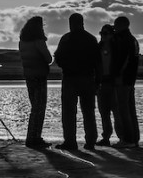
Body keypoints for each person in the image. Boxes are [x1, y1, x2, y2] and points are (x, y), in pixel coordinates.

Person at [54, 13, 101, 150]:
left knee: (69, 112)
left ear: (70, 23)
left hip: (70, 78)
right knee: (88, 112)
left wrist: (66, 66)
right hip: (87, 78)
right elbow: (98, 62)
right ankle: (90, 141)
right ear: (82, 23)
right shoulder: (91, 39)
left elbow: (58, 57)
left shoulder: (66, 38)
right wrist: (98, 80)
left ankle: (70, 141)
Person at [19, 16, 53, 148]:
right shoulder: (38, 41)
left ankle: (32, 136)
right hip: (39, 76)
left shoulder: (22, 42)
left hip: (29, 76)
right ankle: (34, 137)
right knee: (39, 108)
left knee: (34, 107)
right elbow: (48, 58)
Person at [111, 16, 140, 149]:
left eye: (116, 25)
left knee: (124, 109)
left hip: (123, 79)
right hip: (130, 79)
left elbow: (123, 60)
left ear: (121, 25)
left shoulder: (124, 40)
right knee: (130, 108)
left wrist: (118, 74)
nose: (114, 27)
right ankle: (134, 138)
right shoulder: (132, 39)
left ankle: (128, 139)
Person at [96, 24, 123, 147]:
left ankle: (122, 137)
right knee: (104, 112)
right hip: (102, 82)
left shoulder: (116, 47)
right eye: (101, 33)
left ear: (111, 35)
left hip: (113, 83)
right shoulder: (99, 47)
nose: (103, 36)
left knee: (117, 112)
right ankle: (106, 137)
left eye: (105, 34)